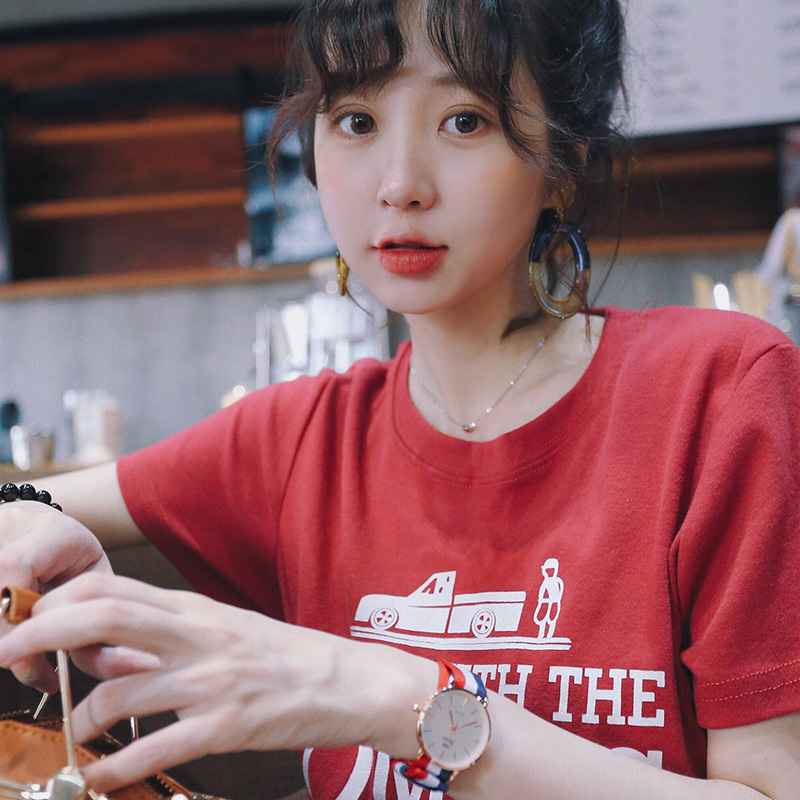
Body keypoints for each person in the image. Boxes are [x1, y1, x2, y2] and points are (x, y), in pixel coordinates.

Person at [1, 0, 799, 798]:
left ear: (561, 161)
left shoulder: (719, 395)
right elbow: (19, 502)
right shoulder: (299, 441)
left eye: (464, 120)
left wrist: (397, 700)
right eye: (356, 121)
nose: (400, 185)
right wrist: (34, 522)